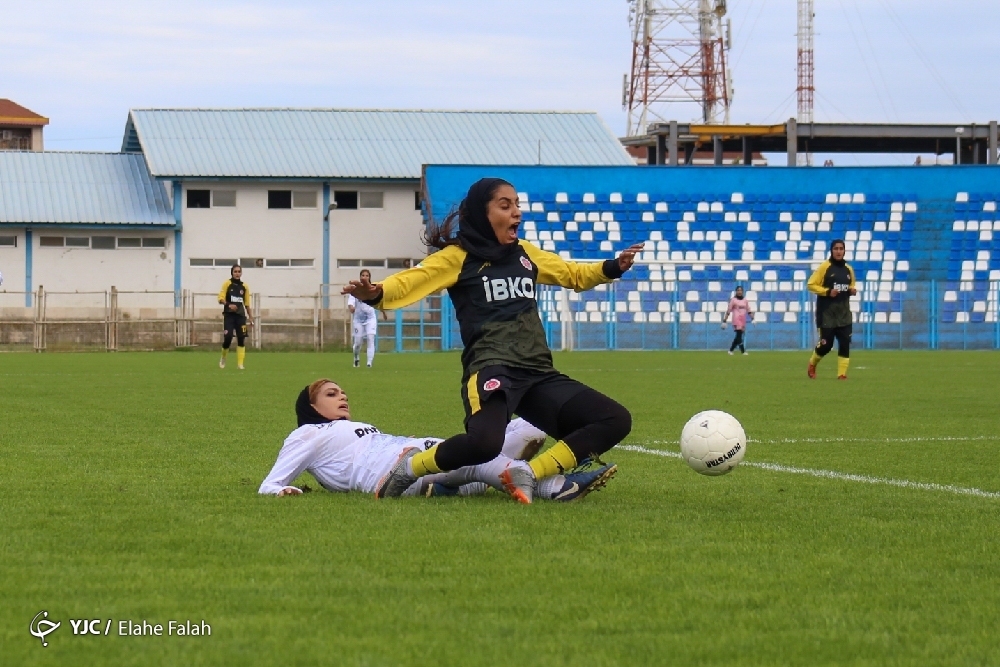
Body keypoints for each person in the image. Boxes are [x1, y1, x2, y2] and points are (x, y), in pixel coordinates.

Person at [343, 178, 642, 499]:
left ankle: (530, 475)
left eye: (517, 205)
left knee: (613, 419)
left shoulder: (525, 253)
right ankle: (411, 467)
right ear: (481, 213)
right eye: (505, 205)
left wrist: (613, 266)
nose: (516, 212)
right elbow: (413, 281)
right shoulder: (457, 257)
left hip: (537, 372)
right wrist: (377, 293)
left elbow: (571, 273)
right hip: (491, 370)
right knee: (484, 445)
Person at [259, 379, 616, 503]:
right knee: (478, 459)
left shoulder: (349, 428)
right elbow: (271, 483)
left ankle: (464, 484)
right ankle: (554, 487)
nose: (343, 397)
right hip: (397, 470)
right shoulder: (306, 433)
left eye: (343, 392)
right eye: (332, 394)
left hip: (430, 456)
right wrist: (281, 490)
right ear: (310, 407)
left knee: (530, 428)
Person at [807, 239, 857, 380]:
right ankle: (812, 363)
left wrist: (852, 290)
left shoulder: (849, 269)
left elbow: (851, 284)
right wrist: (827, 292)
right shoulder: (825, 267)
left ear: (844, 251)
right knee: (826, 346)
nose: (839, 251)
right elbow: (811, 285)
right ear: (831, 250)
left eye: (841, 248)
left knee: (845, 344)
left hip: (844, 314)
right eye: (836, 248)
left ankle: (841, 375)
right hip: (827, 314)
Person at [218, 265, 252, 370]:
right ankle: (223, 357)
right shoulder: (227, 284)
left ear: (241, 273)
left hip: (240, 316)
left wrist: (251, 317)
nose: (237, 273)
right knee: (228, 338)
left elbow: (246, 304)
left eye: (239, 271)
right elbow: (220, 298)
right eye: (235, 271)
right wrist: (229, 305)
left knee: (241, 338)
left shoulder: (244, 286)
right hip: (229, 315)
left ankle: (240, 364)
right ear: (232, 273)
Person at [347, 269, 383, 368]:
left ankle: (369, 363)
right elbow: (351, 302)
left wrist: (383, 312)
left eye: (367, 275)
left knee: (371, 339)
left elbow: (378, 302)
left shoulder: (373, 288)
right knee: (358, 342)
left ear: (369, 277)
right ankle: (356, 357)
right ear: (360, 277)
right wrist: (351, 307)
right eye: (363, 275)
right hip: (358, 319)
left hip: (370, 318)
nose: (365, 277)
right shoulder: (355, 289)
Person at [721, 285, 753, 355]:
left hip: (743, 320)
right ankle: (743, 351)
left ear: (742, 291)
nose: (739, 292)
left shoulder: (745, 300)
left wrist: (752, 318)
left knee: (738, 336)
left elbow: (748, 310)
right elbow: (729, 310)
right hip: (736, 319)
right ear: (736, 291)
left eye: (740, 290)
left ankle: (730, 350)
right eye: (738, 290)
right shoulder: (733, 300)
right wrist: (724, 320)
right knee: (739, 335)